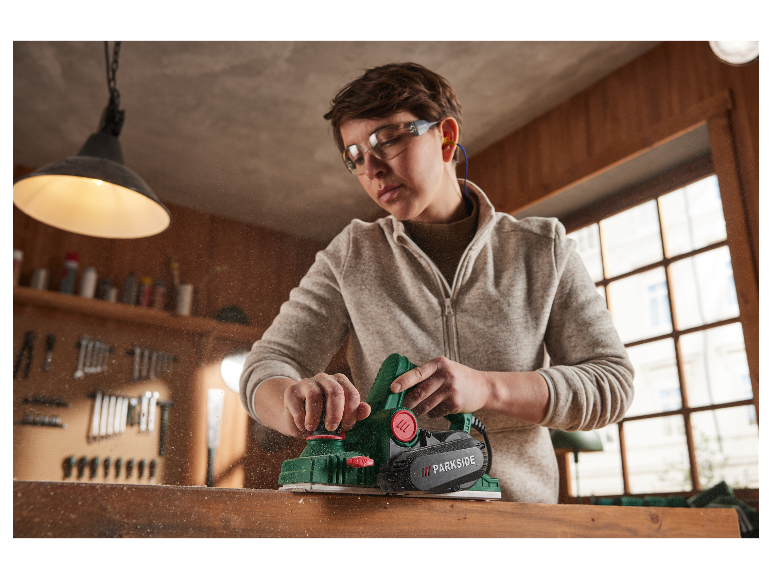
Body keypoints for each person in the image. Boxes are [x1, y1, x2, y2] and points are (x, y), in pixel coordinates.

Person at [239, 62, 633, 503]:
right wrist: (295, 401)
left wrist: (487, 388)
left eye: (386, 140)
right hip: (391, 521)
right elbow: (265, 367)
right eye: (355, 157)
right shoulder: (351, 255)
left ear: (445, 136)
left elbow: (611, 383)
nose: (372, 169)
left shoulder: (544, 250)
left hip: (519, 521)